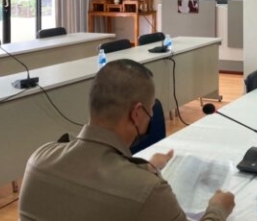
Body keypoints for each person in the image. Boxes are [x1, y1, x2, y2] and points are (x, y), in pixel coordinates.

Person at [19, 59, 235, 221]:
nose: (151, 116)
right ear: (137, 113)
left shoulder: (39, 159)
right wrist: (217, 209)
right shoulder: (148, 191)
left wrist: (142, 168)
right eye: (150, 110)